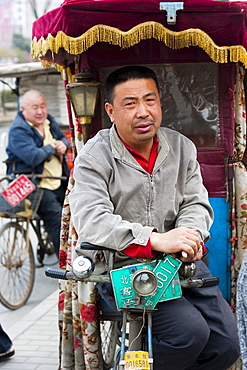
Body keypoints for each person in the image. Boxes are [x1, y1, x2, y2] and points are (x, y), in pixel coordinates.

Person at [69, 65, 240, 369]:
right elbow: (91, 220)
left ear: (160, 103)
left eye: (150, 100)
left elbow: (196, 203)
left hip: (179, 263)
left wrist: (190, 235)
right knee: (188, 334)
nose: (143, 112)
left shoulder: (181, 147)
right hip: (121, 266)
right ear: (110, 110)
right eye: (130, 103)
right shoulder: (94, 155)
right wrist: (155, 239)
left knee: (227, 345)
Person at [6, 90, 70, 257]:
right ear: (23, 109)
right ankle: (65, 264)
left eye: (43, 106)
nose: (40, 111)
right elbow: (33, 157)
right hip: (36, 185)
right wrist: (52, 147)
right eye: (35, 107)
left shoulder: (48, 121)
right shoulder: (18, 130)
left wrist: (63, 145)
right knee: (58, 221)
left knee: (78, 212)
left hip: (59, 180)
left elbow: (63, 139)